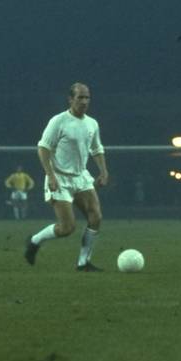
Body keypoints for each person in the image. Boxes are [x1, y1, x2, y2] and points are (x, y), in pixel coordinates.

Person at [23, 83, 109, 271]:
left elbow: (96, 148)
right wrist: (50, 176)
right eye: (80, 97)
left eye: (87, 97)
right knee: (67, 228)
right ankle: (35, 241)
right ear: (71, 99)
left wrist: (103, 171)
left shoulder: (92, 123)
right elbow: (43, 148)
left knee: (96, 217)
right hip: (59, 178)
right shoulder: (59, 121)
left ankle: (83, 262)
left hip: (81, 177)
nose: (84, 101)